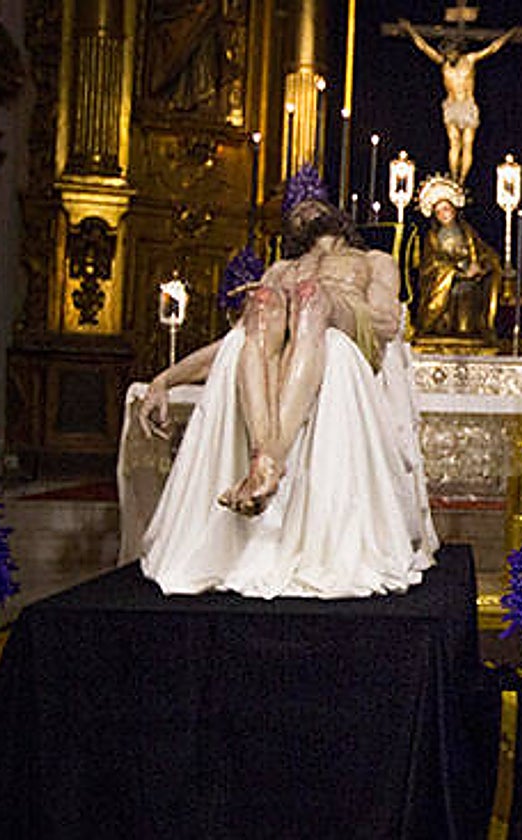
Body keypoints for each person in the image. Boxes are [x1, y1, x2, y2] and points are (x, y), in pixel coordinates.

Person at [137, 170, 438, 598]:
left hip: (350, 321)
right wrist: (164, 380)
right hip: (298, 320)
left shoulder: (373, 261)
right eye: (296, 212)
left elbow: (388, 323)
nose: (305, 208)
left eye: (316, 205)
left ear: (339, 219)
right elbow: (233, 344)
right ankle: (265, 461)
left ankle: (269, 460)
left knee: (310, 296)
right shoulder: (281, 269)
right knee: (261, 302)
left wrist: (320, 302)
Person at [399, 19, 520, 182]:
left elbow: (492, 48)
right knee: (454, 144)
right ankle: (454, 178)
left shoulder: (469, 60)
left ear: (458, 51)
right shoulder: (443, 63)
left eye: (451, 53)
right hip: (452, 105)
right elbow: (423, 47)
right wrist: (409, 29)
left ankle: (462, 180)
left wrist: (510, 34)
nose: (449, 56)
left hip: (467, 105)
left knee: (467, 143)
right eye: (447, 53)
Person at [414, 174, 502, 342]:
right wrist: (456, 273)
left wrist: (482, 266)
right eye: (438, 212)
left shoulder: (467, 232)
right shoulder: (432, 237)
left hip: (469, 289)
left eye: (446, 209)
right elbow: (431, 265)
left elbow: (484, 253)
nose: (443, 214)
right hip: (444, 290)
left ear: (454, 209)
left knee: (467, 329)